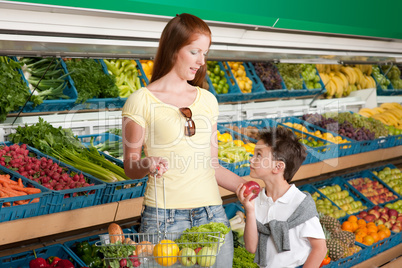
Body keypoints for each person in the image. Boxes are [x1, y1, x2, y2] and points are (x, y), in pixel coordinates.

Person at [121, 13, 246, 267]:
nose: (201, 61)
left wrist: (246, 188)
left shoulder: (207, 100)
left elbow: (214, 166)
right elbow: (130, 166)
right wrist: (147, 163)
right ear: (174, 49)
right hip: (164, 220)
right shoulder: (141, 100)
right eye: (195, 52)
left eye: (205, 53)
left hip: (213, 216)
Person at [236, 126, 327, 268]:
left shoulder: (300, 204)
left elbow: (320, 248)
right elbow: (251, 247)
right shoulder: (257, 199)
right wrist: (250, 211)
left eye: (258, 155)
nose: (251, 159)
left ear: (278, 167)